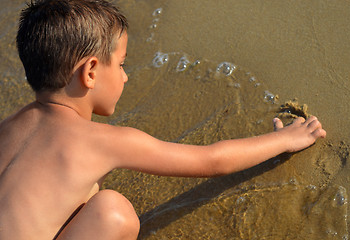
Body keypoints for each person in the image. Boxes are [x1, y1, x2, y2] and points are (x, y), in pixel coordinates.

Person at [0, 0, 326, 239]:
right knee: (113, 212)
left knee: (87, 193)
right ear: (91, 72)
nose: (126, 78)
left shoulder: (10, 127)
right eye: (122, 65)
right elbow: (212, 160)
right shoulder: (98, 142)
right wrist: (284, 139)